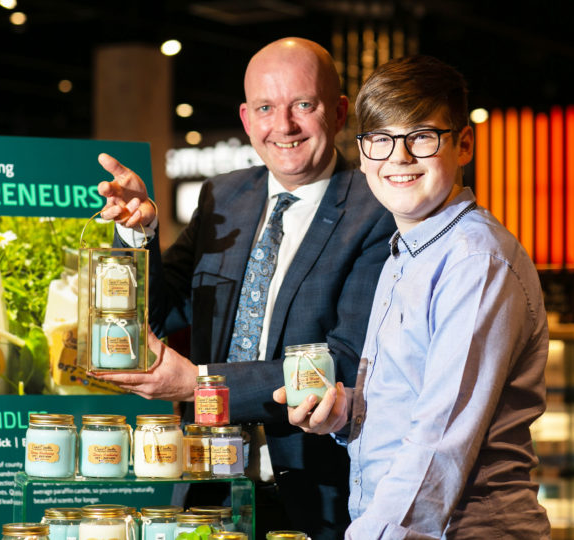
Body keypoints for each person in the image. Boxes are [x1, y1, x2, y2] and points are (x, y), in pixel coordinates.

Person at [96, 37, 395, 538]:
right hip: (208, 484)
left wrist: (200, 383)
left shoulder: (377, 209)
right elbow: (160, 314)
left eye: (304, 104)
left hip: (313, 497)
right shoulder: (224, 196)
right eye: (265, 107)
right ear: (245, 117)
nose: (284, 126)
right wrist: (136, 233)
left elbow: (343, 362)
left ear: (340, 112)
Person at [276, 55, 551, 538]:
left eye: (421, 136)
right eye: (381, 140)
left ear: (463, 144)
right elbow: (416, 401)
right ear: (362, 156)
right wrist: (347, 413)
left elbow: (440, 442)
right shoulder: (409, 252)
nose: (398, 158)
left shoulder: (473, 260)